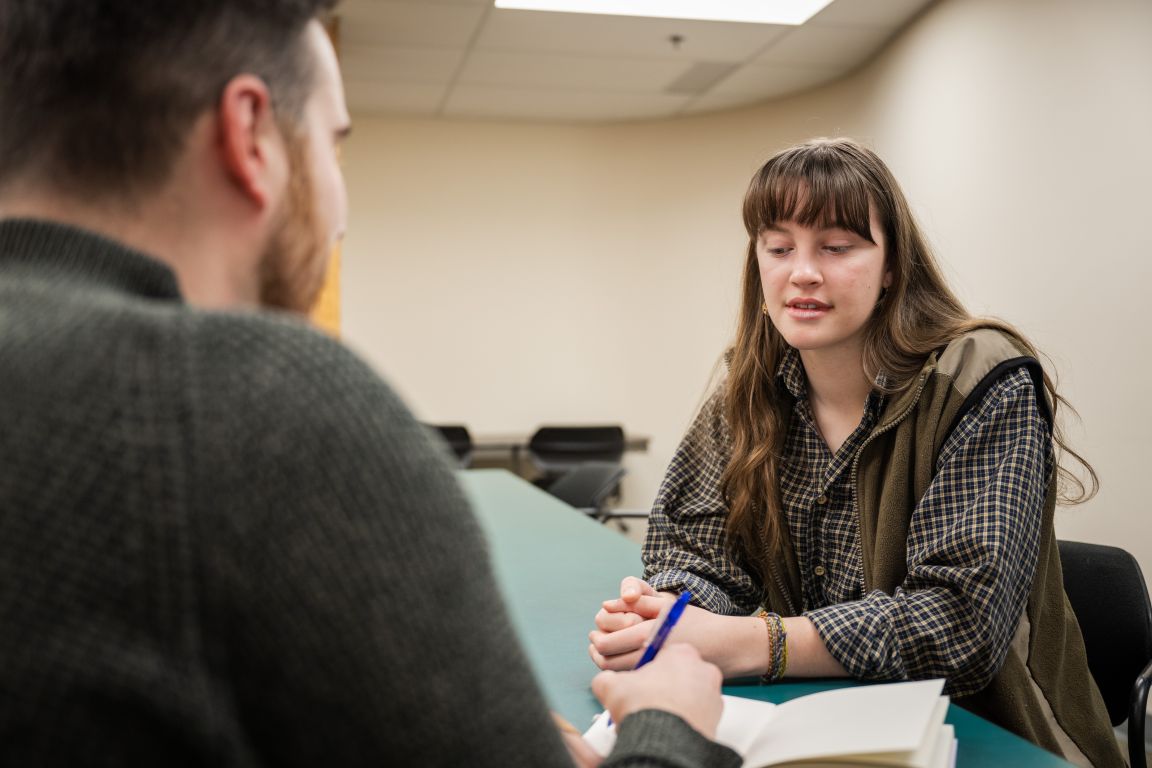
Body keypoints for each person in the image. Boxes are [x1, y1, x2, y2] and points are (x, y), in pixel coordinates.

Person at [0, 1, 741, 766]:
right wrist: (668, 726)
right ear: (250, 135)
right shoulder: (264, 403)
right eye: (334, 146)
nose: (340, 212)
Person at [588, 138, 1124, 768]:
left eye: (836, 247)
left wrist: (756, 642)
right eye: (779, 248)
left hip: (997, 739)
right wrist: (667, 617)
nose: (803, 273)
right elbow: (693, 550)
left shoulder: (983, 376)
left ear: (893, 264)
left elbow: (960, 625)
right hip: (817, 724)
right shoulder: (749, 388)